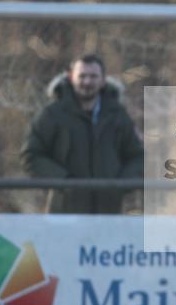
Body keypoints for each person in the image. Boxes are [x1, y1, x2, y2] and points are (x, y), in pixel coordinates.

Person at [21, 54, 144, 214]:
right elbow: (31, 155)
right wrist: (64, 182)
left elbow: (137, 156)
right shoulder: (52, 114)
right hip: (65, 211)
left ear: (102, 80)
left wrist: (119, 185)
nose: (87, 82)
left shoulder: (118, 115)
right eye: (82, 76)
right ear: (71, 77)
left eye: (93, 76)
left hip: (109, 212)